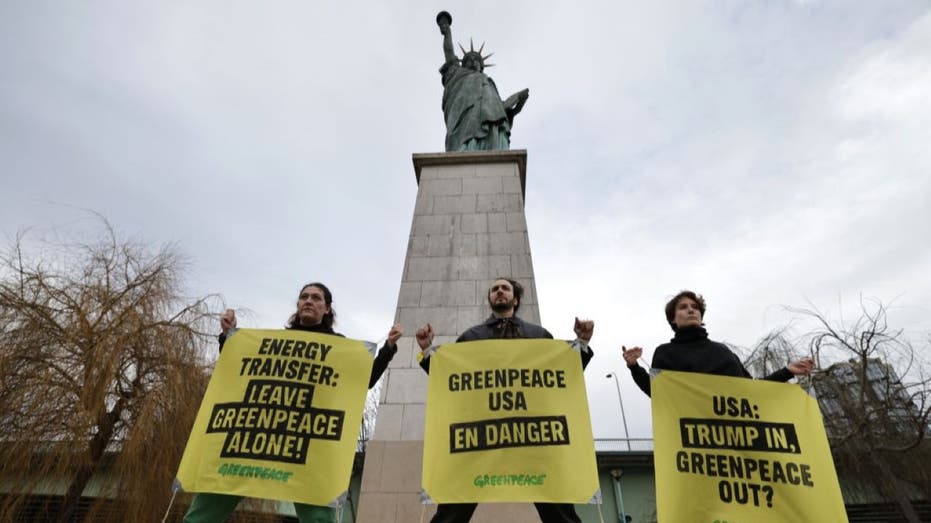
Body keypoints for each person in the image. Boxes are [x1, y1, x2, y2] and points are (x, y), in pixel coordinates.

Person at [183, 282, 403, 523]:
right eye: (304, 297)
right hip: (255, 437)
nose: (309, 301)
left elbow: (365, 380)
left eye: (316, 298)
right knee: (207, 508)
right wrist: (228, 337)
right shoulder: (276, 341)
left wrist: (388, 348)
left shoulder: (339, 348)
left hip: (305, 445)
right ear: (298, 304)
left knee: (319, 517)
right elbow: (239, 368)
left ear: (327, 309)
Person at [415, 277, 593, 523]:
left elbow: (559, 377)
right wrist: (426, 351)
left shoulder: (539, 335)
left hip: (533, 440)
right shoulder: (470, 337)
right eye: (495, 289)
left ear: (515, 299)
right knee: (452, 513)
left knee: (560, 514)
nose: (499, 291)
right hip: (480, 439)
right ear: (490, 299)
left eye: (505, 288)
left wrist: (582, 344)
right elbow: (450, 381)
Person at [622, 290, 814, 397]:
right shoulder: (665, 353)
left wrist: (787, 371)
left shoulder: (723, 352)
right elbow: (659, 394)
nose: (691, 311)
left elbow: (752, 392)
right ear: (673, 318)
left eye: (695, 307)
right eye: (683, 307)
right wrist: (634, 367)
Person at [436, 11, 530, 152]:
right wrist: (447, 31)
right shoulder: (456, 73)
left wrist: (519, 99)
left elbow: (501, 109)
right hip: (461, 118)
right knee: (462, 143)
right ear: (463, 64)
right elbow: (449, 51)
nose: (473, 62)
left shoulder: (487, 83)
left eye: (477, 60)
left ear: (481, 66)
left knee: (492, 131)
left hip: (487, 121)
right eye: (469, 60)